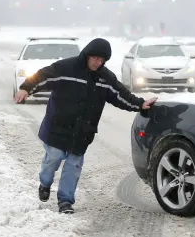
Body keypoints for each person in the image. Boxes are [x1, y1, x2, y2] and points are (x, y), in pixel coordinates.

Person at [13, 37, 157, 214]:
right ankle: (45, 183)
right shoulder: (66, 68)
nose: (98, 63)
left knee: (73, 166)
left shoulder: (105, 78)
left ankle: (65, 202)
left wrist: (140, 104)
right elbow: (43, 76)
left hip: (83, 130)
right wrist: (26, 88)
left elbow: (121, 95)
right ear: (87, 55)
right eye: (95, 58)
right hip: (57, 126)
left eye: (101, 60)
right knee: (54, 158)